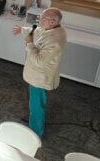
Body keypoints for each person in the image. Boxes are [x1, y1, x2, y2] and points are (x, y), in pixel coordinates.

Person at [12, 8, 66, 138]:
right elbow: (38, 30)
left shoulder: (55, 41)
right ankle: (33, 121)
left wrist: (29, 43)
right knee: (35, 102)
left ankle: (35, 134)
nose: (39, 21)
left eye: (42, 19)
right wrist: (23, 30)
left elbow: (40, 61)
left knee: (37, 105)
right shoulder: (53, 29)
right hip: (37, 76)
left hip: (40, 78)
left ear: (53, 22)